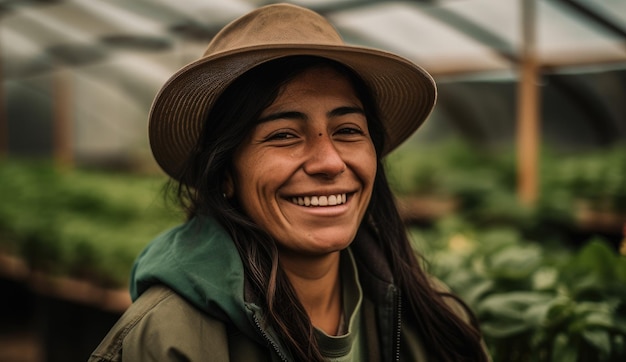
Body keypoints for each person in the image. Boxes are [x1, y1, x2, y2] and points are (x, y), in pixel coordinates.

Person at [89, 3, 490, 361]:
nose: (329, 162)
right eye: (284, 134)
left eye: (348, 130)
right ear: (225, 172)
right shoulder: (166, 342)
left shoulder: (433, 320)